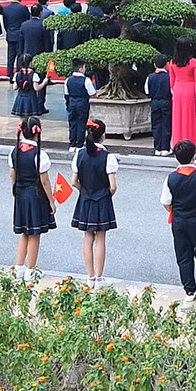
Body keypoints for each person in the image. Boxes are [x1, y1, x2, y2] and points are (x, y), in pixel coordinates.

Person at [160, 138, 196, 300]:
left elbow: (165, 202)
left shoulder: (171, 178)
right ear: (194, 156)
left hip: (179, 222)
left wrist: (174, 211)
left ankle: (190, 291)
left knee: (183, 256)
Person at [72, 117, 119, 282]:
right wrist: (106, 194)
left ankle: (90, 276)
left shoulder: (80, 154)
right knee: (100, 237)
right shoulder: (107, 157)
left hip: (85, 198)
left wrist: (84, 190)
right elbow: (113, 186)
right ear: (103, 135)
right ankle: (99, 278)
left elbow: (73, 181)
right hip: (102, 200)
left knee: (87, 237)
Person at [9, 116, 57, 277]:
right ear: (37, 132)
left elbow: (12, 175)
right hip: (35, 195)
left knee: (24, 231)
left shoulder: (14, 150)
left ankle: (19, 267)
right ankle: (31, 269)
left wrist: (17, 188)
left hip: (20, 193)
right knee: (35, 233)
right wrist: (51, 201)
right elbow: (44, 180)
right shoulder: (39, 154)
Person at [168, 37, 196, 158]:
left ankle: (178, 147)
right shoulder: (194, 62)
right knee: (191, 119)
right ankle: (193, 149)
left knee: (178, 119)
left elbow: (171, 82)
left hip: (178, 89)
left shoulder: (172, 62)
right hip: (190, 90)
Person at [145, 57, 173, 156]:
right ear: (166, 64)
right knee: (166, 124)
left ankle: (157, 148)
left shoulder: (150, 77)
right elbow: (172, 91)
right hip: (166, 101)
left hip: (155, 102)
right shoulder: (169, 76)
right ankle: (165, 148)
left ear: (154, 65)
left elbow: (147, 91)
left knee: (156, 125)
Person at [63, 64, 96, 148]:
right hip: (82, 104)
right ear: (81, 69)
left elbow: (66, 94)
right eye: (84, 67)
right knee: (82, 124)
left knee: (72, 124)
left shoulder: (68, 80)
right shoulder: (86, 80)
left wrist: (68, 104)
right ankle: (79, 144)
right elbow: (92, 93)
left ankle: (72, 144)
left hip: (72, 103)